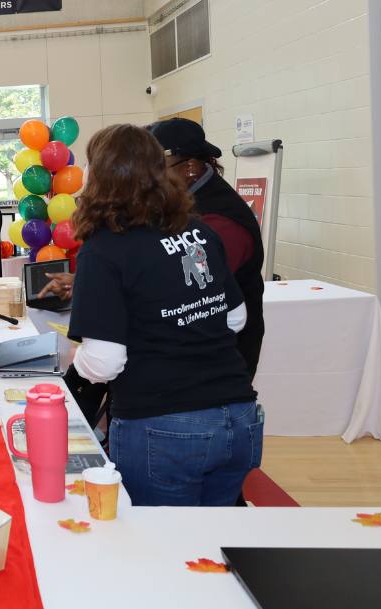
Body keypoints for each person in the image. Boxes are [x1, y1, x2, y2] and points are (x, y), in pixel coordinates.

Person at [66, 124, 261, 507]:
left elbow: (104, 362)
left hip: (164, 425)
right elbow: (235, 319)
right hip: (239, 418)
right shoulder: (199, 231)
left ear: (98, 176)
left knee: (163, 551)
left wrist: (77, 364)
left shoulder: (104, 249)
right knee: (215, 550)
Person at [149, 118, 266, 379]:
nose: (151, 178)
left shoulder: (221, 221)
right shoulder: (183, 204)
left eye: (158, 168)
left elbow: (191, 286)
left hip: (219, 366)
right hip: (192, 353)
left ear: (189, 167)